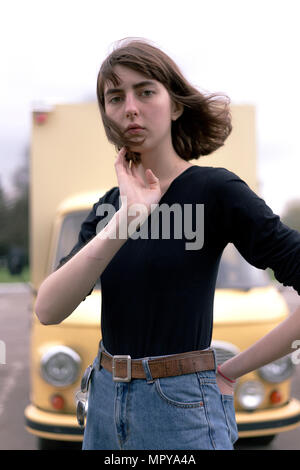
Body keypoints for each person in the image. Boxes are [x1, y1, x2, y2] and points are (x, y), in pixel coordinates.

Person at [35, 38, 300, 450]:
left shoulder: (216, 191)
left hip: (182, 410)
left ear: (175, 105)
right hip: (103, 405)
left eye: (145, 91)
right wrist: (126, 219)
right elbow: (48, 309)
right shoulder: (109, 208)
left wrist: (232, 370)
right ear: (107, 114)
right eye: (115, 97)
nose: (130, 108)